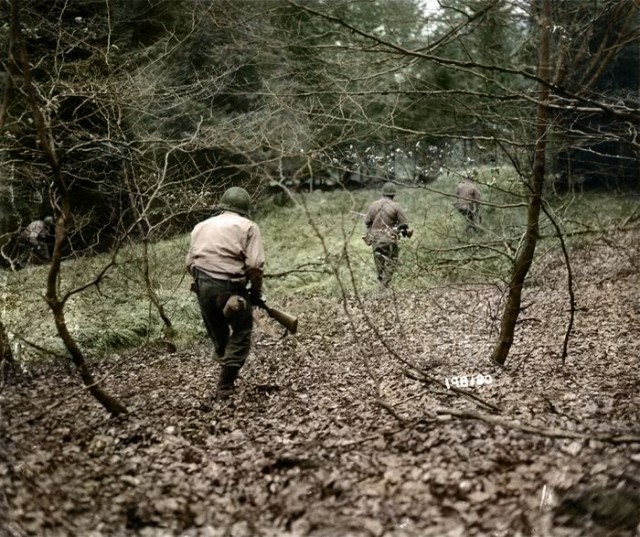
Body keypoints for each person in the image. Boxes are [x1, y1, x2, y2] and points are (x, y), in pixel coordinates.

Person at [185, 187, 265, 400]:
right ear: (244, 209)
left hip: (202, 286)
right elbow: (255, 266)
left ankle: (226, 368)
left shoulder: (200, 226)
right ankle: (226, 385)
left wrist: (205, 284)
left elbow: (189, 262)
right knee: (242, 330)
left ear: (223, 205)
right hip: (231, 288)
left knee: (219, 334)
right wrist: (255, 293)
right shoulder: (248, 226)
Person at [364, 182, 412, 289]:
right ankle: (384, 284)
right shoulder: (396, 206)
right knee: (392, 260)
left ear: (383, 193)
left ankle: (381, 282)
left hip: (376, 239)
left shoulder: (373, 205)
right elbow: (404, 224)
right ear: (393, 194)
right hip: (390, 238)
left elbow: (367, 222)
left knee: (379, 262)